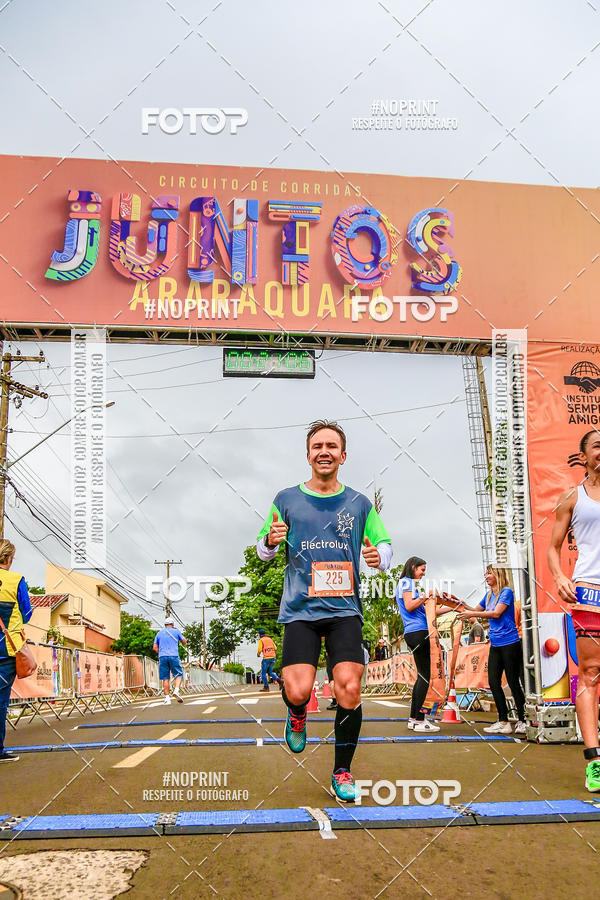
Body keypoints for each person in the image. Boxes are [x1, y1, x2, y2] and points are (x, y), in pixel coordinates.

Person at [256, 419, 392, 802]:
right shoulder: (285, 499)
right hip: (300, 610)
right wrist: (270, 539)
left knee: (348, 687)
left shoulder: (360, 503)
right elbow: (262, 549)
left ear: (343, 455)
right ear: (308, 454)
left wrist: (377, 556)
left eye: (332, 446)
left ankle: (342, 771)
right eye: (318, 446)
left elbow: (385, 546)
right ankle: (296, 712)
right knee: (298, 689)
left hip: (344, 610)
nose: (325, 452)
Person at [547, 429, 600, 792]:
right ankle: (594, 761)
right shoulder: (572, 499)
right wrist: (559, 575)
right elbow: (552, 548)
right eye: (598, 446)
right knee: (592, 673)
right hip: (590, 593)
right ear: (583, 457)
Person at [457, 565, 526, 735]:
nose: (486, 576)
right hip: (495, 644)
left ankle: (523, 720)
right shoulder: (488, 596)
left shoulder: (506, 592)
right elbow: (475, 610)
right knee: (493, 682)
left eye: (489, 573)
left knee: (513, 682)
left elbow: (496, 613)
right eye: (486, 573)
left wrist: (470, 614)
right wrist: (460, 604)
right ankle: (503, 721)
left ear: (498, 574)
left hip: (510, 643)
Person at [396, 556, 443, 732]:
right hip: (418, 632)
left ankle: (413, 718)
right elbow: (409, 606)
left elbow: (428, 611)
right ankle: (420, 720)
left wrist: (453, 607)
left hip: (413, 632)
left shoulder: (408, 585)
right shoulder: (407, 582)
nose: (424, 574)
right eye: (422, 570)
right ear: (413, 567)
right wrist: (426, 595)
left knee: (421, 677)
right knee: (425, 676)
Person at [0, 539, 32, 762]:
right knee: (1, 700)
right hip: (6, 649)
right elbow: (27, 614)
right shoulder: (16, 580)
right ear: (10, 559)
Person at [153, 617, 187, 705]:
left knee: (165, 678)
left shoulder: (159, 633)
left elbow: (155, 647)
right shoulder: (176, 631)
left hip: (162, 656)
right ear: (172, 625)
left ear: (165, 625)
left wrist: (161, 653)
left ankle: (167, 698)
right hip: (174, 655)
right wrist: (183, 638)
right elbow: (184, 641)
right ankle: (176, 690)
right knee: (178, 674)